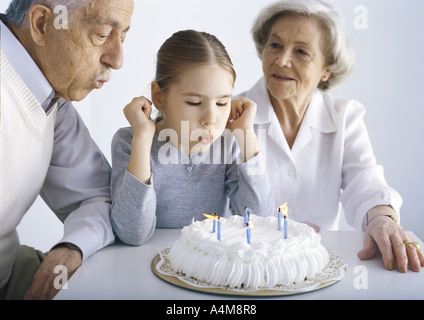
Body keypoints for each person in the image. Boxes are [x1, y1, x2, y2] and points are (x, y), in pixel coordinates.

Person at [237, 0, 424, 272]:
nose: (282, 60)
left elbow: (365, 183)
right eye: (275, 45)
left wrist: (382, 220)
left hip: (319, 268)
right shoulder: (227, 113)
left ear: (327, 69)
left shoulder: (344, 117)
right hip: (243, 267)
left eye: (301, 51)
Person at [0, 0, 134, 299]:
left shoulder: (52, 99)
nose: (117, 59)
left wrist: (69, 248)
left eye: (122, 37)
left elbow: (97, 195)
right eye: (101, 34)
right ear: (41, 24)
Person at [110, 30, 275, 246]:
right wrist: (142, 139)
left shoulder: (228, 144)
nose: (211, 119)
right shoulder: (130, 140)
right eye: (195, 103)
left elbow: (260, 223)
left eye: (222, 103)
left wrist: (246, 136)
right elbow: (132, 233)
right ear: (159, 97)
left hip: (209, 270)